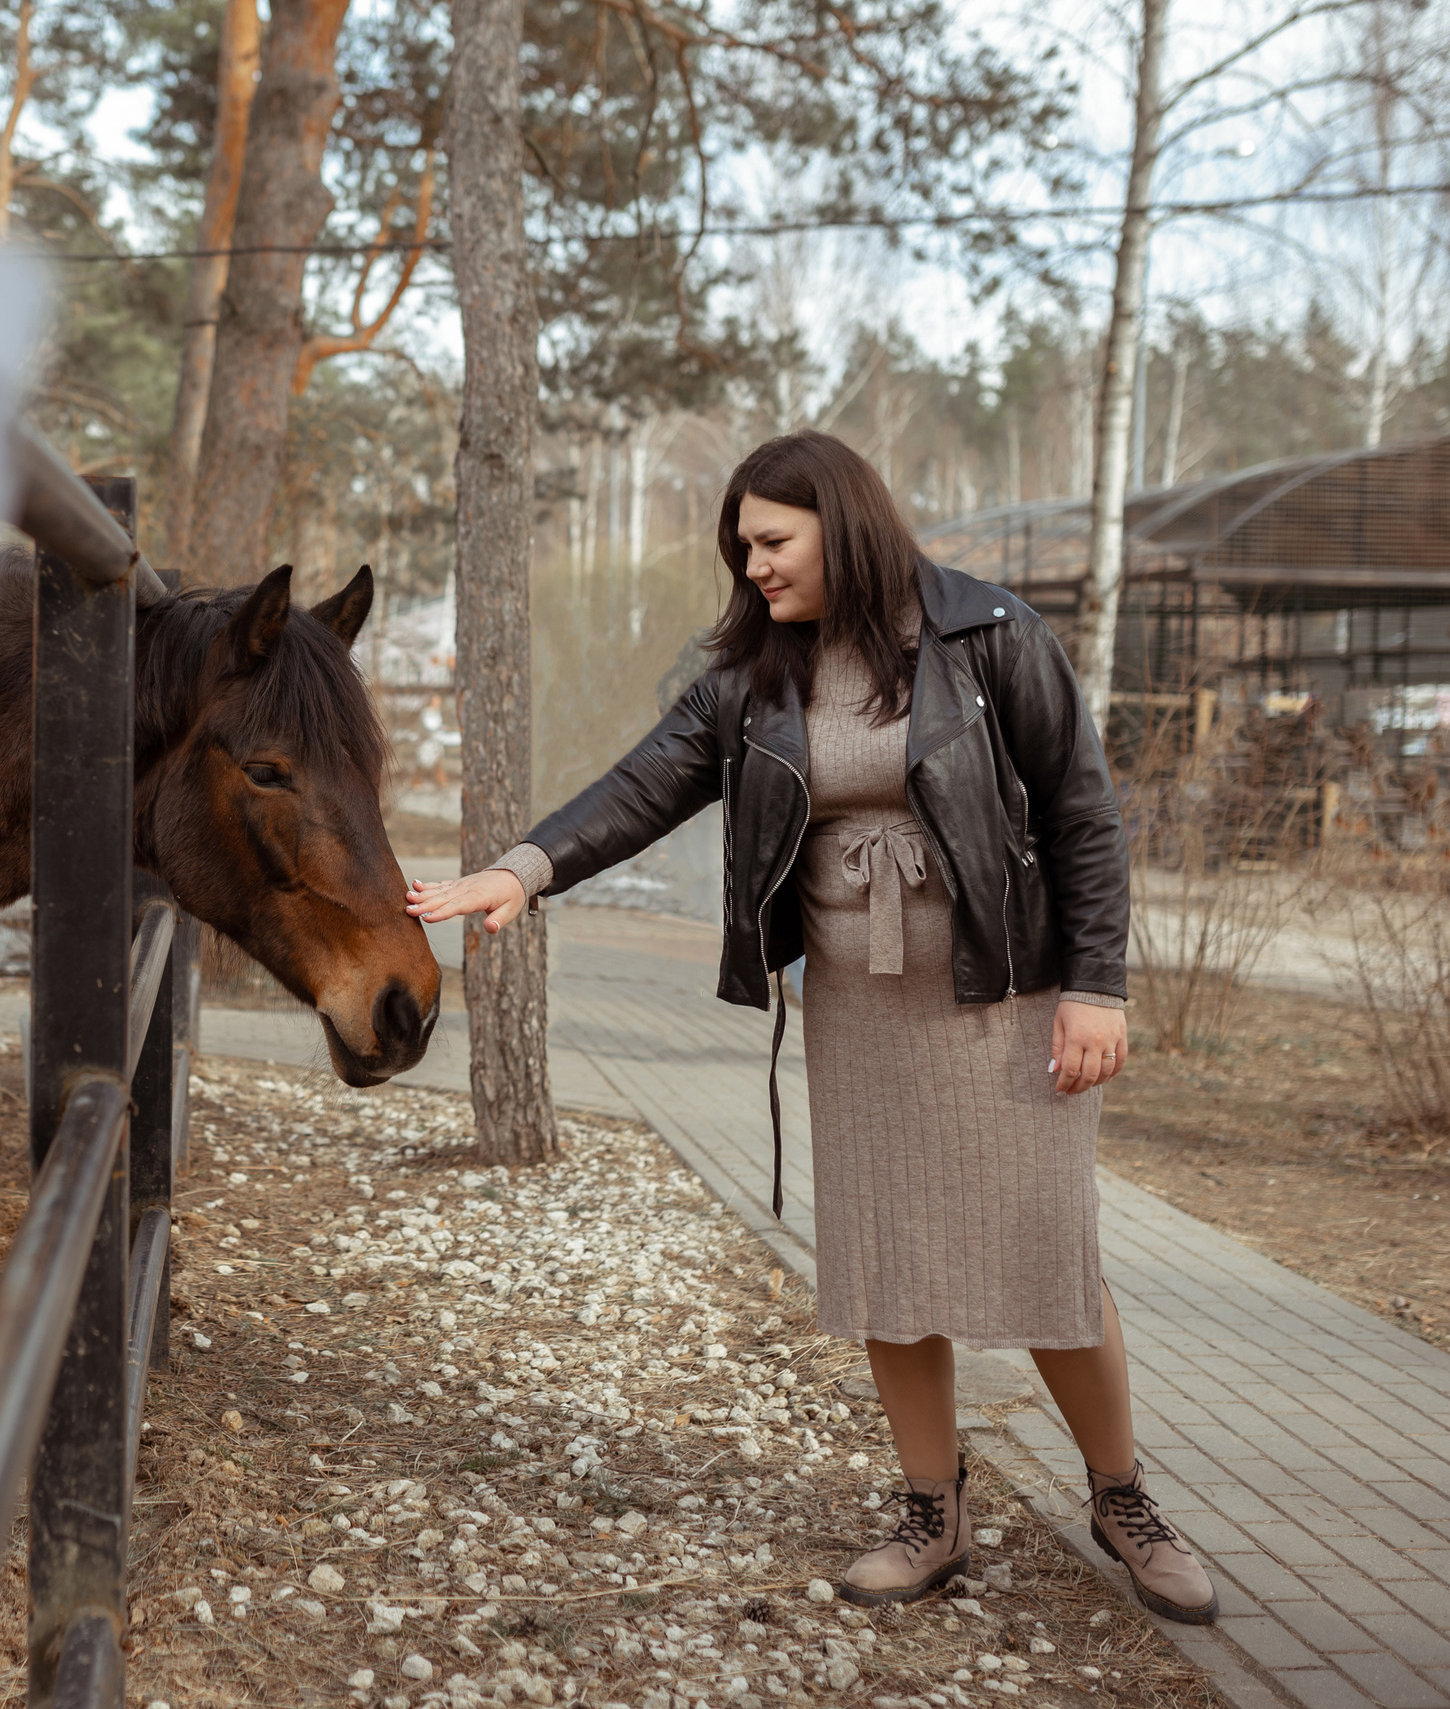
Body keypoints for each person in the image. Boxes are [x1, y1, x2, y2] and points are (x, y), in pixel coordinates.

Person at [409, 431, 1217, 1624]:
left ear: (843, 522)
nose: (754, 566)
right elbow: (647, 781)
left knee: (1047, 1255)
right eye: (742, 546)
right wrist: (522, 870)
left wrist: (1099, 984)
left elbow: (1084, 815)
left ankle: (1122, 1497)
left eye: (772, 541)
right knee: (889, 1262)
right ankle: (930, 1512)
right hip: (862, 1008)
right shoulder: (752, 670)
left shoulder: (991, 636)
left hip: (1008, 1001)